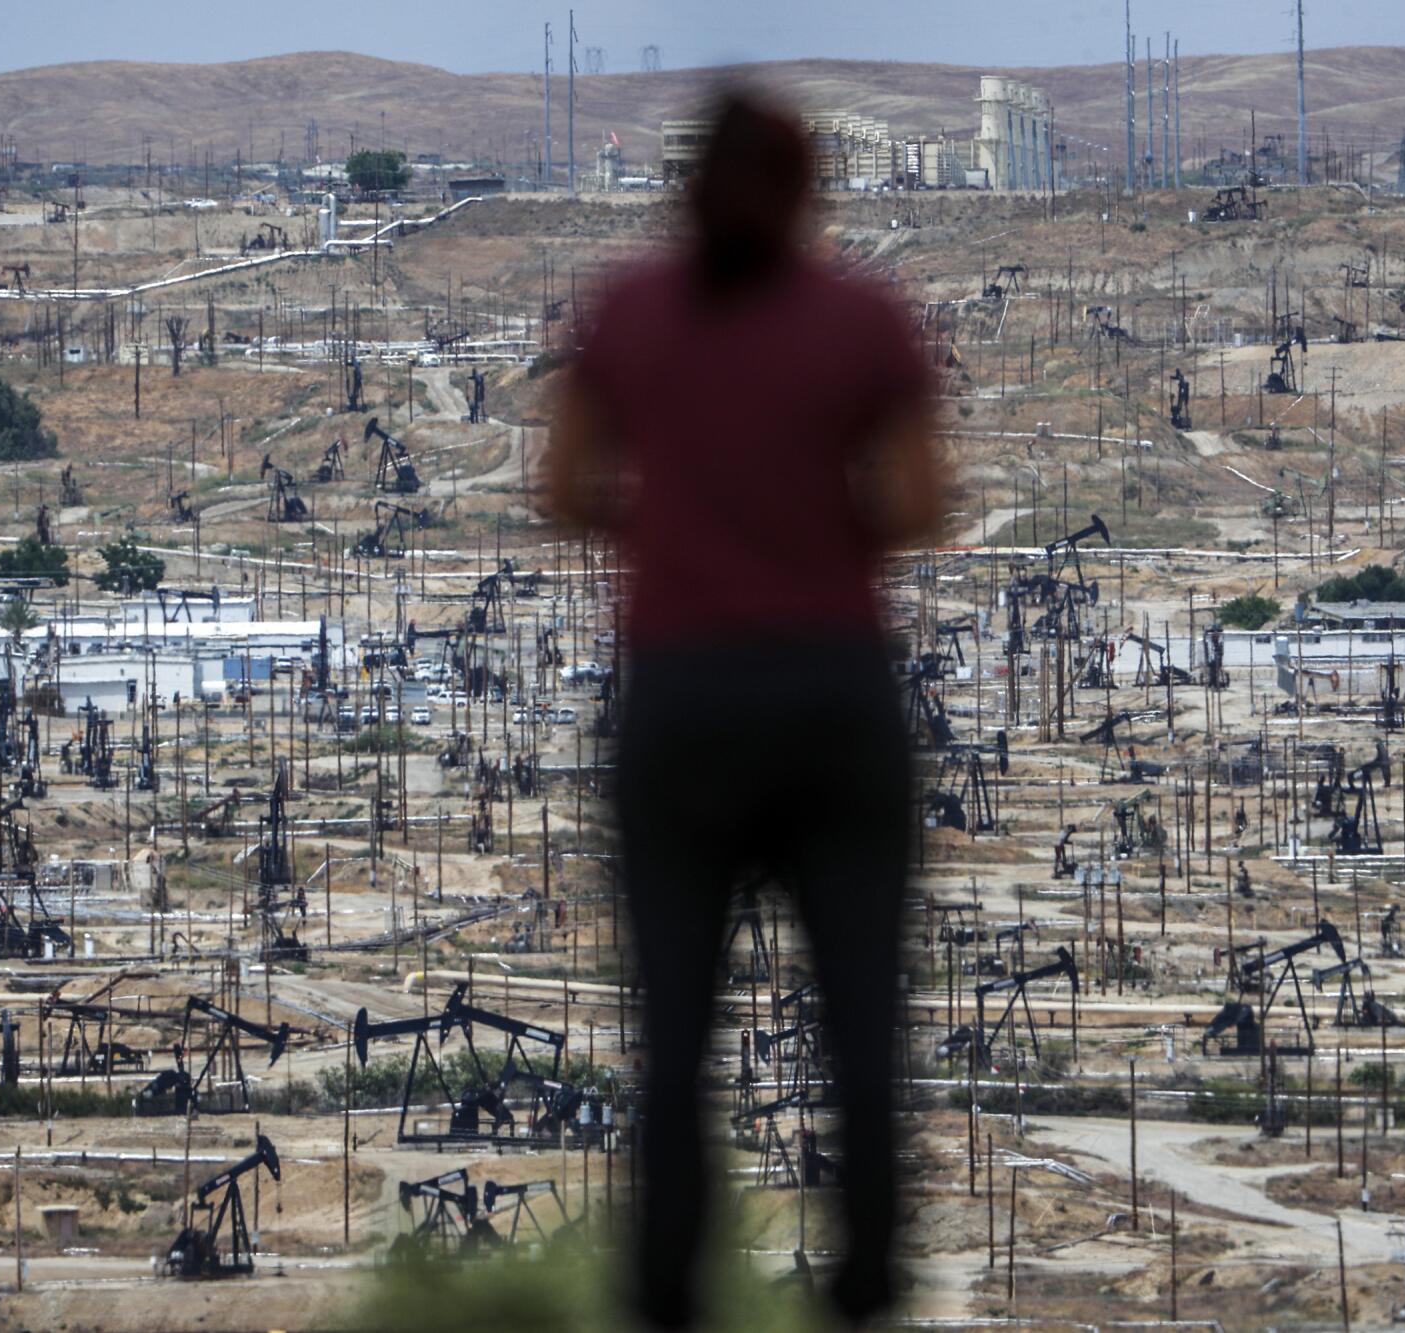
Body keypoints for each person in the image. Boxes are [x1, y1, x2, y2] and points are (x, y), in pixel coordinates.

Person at [545, 90, 944, 1329]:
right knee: (861, 1025)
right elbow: (923, 500)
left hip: (683, 700)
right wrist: (811, 536)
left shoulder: (627, 312)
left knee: (674, 1036)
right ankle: (863, 1291)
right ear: (804, 189)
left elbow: (560, 488)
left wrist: (675, 535)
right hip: (831, 690)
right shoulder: (864, 320)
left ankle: (667, 1294)